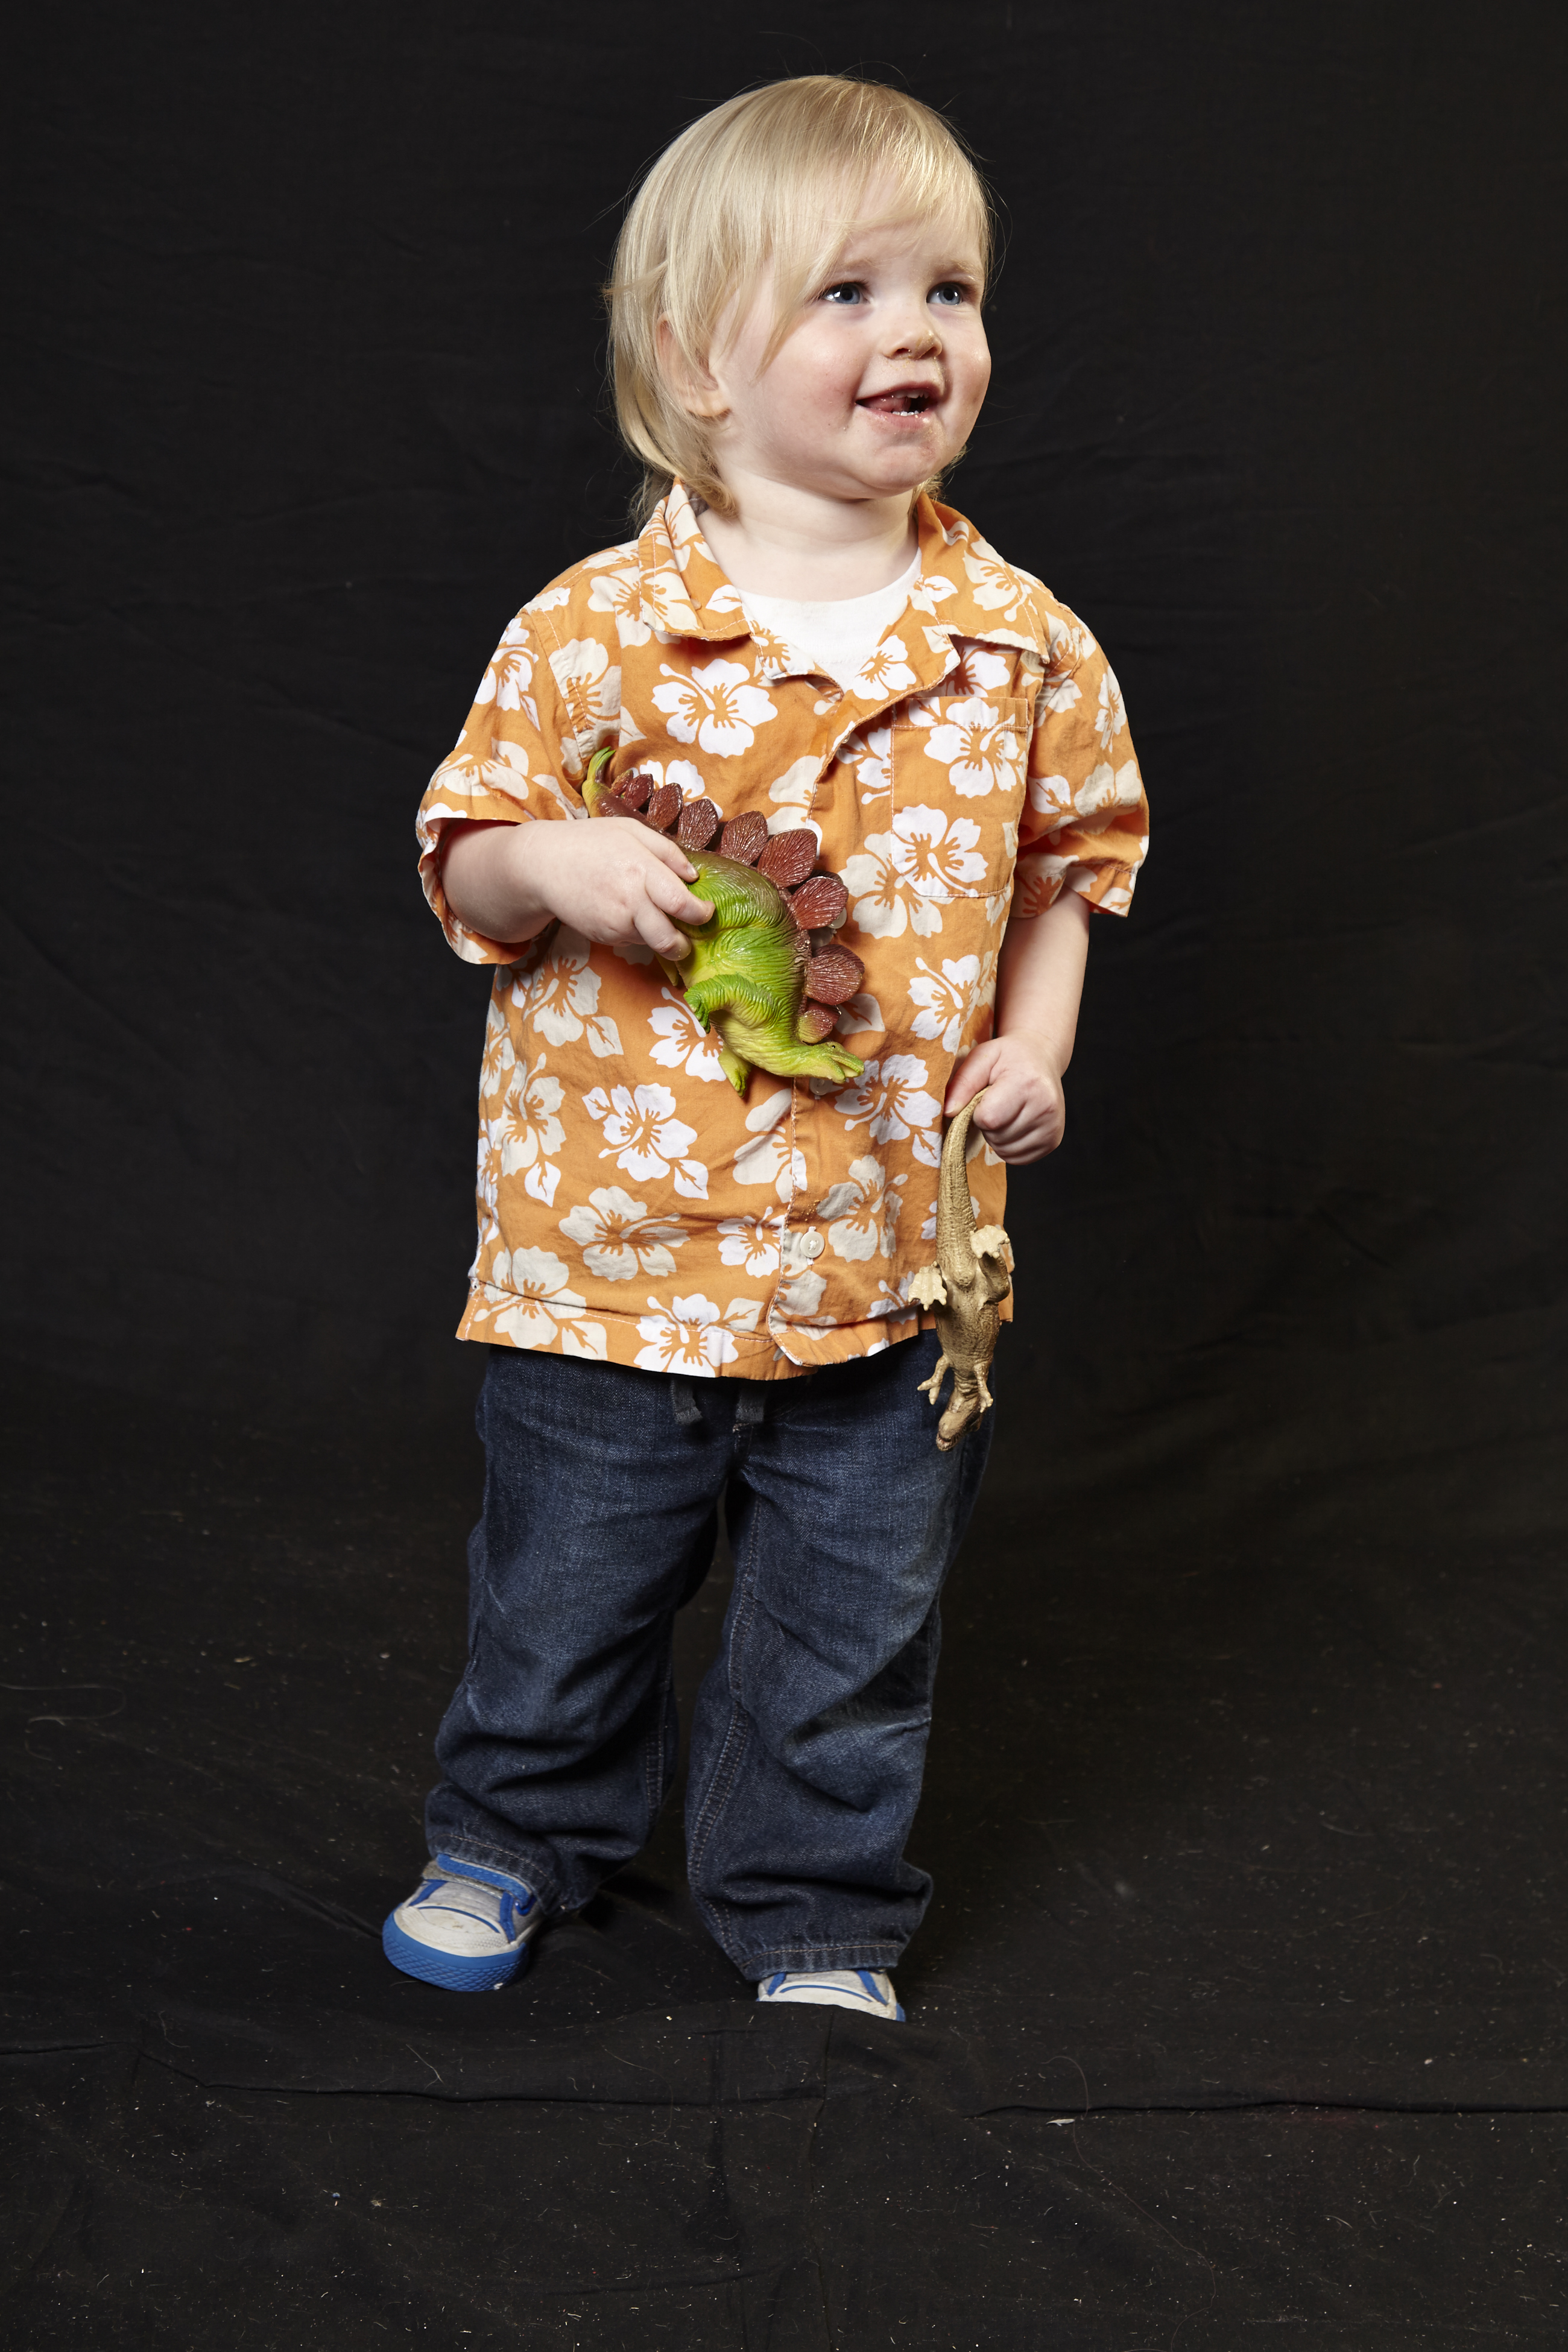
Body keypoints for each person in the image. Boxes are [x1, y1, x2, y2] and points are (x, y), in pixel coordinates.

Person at [386, 75, 1148, 2018]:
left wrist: (1039, 1046)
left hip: (892, 1264)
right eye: (847, 293)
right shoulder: (592, 630)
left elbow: (1069, 874)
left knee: (851, 1625)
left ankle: (813, 1904)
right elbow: (465, 859)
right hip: (614, 1257)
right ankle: (513, 1832)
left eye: (950, 291)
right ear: (694, 363)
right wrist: (555, 860)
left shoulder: (1025, 643)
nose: (918, 333)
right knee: (567, 1587)